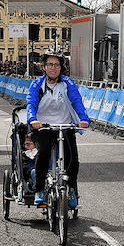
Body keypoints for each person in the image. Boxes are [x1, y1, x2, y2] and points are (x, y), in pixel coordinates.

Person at [26, 50, 90, 208]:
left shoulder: (68, 83)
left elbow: (77, 101)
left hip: (65, 125)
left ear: (61, 67)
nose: (53, 68)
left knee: (73, 160)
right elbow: (31, 104)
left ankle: (73, 190)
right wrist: (33, 119)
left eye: (57, 65)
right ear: (44, 67)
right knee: (44, 153)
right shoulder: (37, 85)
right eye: (50, 64)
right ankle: (40, 190)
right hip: (43, 127)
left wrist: (84, 119)